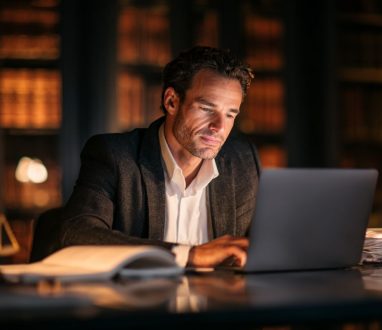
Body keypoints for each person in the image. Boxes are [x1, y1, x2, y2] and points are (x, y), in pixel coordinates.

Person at [37, 46, 260, 268]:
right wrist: (189, 255)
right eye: (206, 108)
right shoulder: (115, 155)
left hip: (222, 301)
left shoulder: (243, 161)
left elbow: (264, 246)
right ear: (171, 101)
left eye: (230, 114)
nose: (219, 127)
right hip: (135, 301)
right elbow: (79, 234)